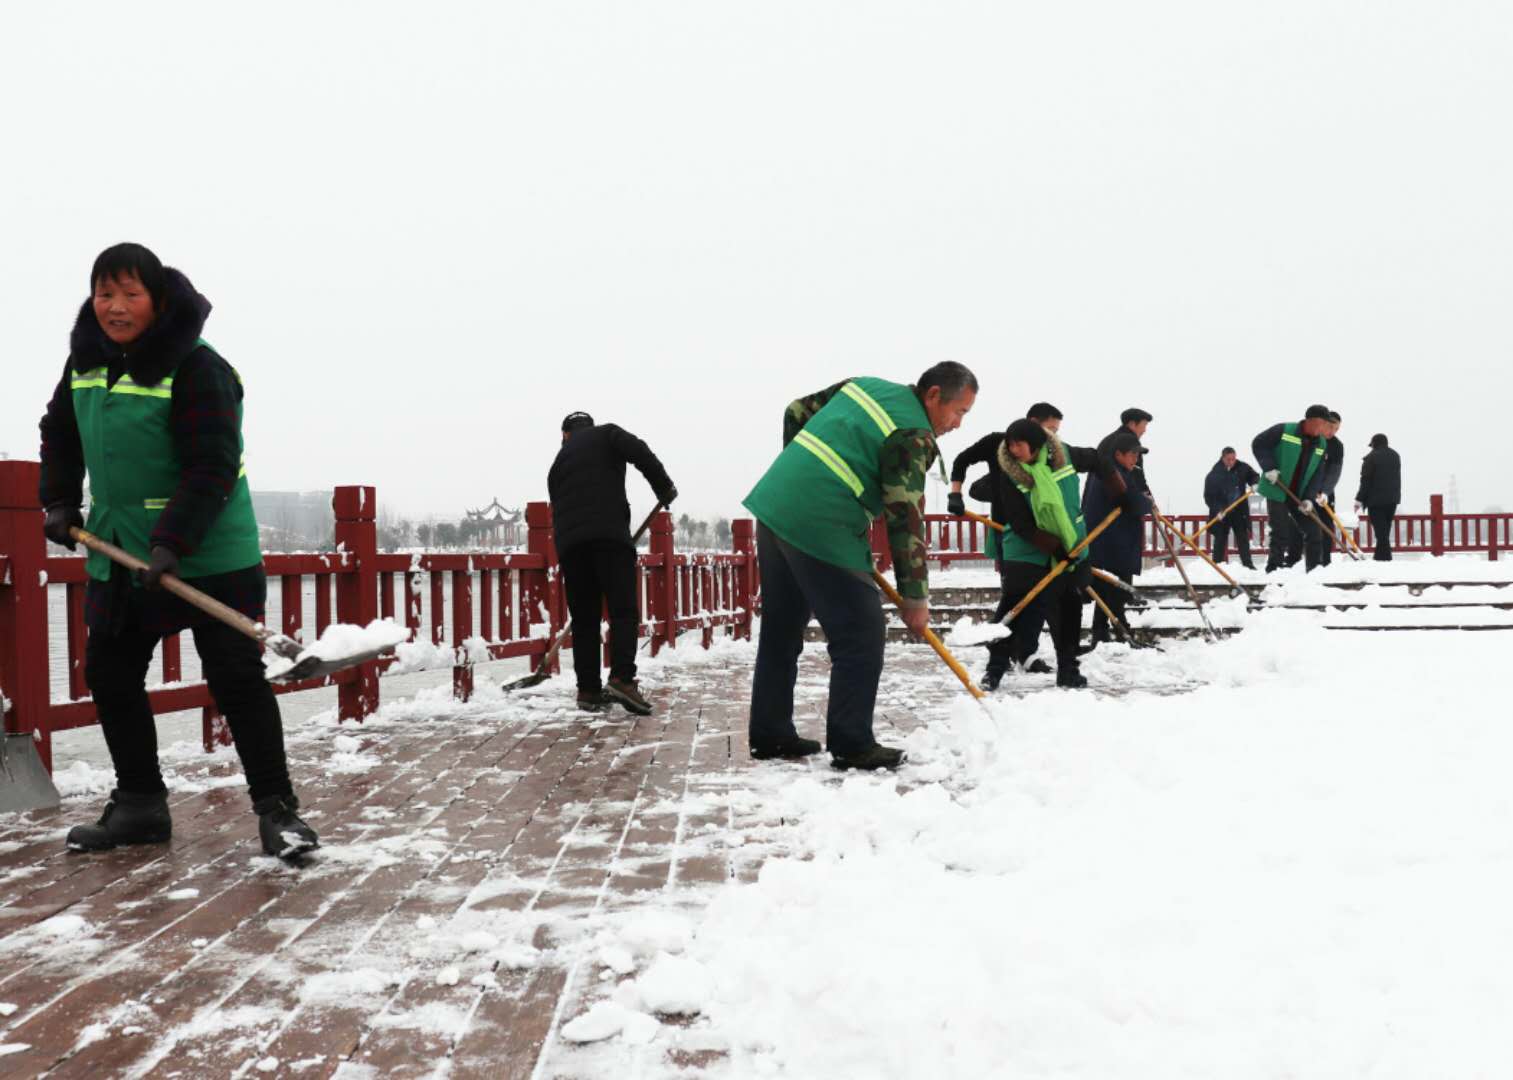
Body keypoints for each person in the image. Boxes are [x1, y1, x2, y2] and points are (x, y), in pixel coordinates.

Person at [38, 243, 317, 858]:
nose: (115, 307)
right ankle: (139, 804)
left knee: (235, 679)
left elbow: (212, 464)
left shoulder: (196, 366)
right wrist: (58, 498)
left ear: (157, 300)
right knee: (110, 672)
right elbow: (59, 430)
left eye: (129, 294)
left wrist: (172, 541)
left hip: (209, 552)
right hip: (121, 550)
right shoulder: (85, 362)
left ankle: (278, 812)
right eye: (104, 293)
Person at [743, 362, 977, 769]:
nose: (958, 424)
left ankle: (770, 732)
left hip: (777, 504)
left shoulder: (867, 386)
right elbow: (905, 517)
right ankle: (852, 744)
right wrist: (915, 598)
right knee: (862, 630)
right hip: (822, 520)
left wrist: (803, 475)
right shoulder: (912, 435)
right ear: (934, 395)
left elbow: (796, 410)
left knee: (782, 628)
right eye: (959, 412)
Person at [547, 412, 677, 715]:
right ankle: (622, 678)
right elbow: (640, 451)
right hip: (609, 536)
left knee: (584, 619)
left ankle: (588, 690)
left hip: (571, 546)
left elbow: (557, 506)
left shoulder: (558, 463)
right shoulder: (607, 434)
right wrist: (664, 487)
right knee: (622, 610)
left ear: (565, 435)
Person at [977, 419, 1101, 689]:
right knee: (1014, 610)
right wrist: (1057, 549)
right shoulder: (1008, 473)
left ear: (1035, 445)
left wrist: (1122, 490)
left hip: (1070, 545)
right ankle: (994, 670)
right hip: (1026, 550)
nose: (1013, 450)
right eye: (1010, 445)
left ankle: (1068, 670)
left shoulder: (1064, 457)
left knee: (1069, 610)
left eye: (1018, 444)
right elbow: (1021, 522)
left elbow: (1099, 460)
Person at [946, 403, 1063, 675]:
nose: (1052, 436)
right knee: (1015, 595)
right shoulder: (997, 443)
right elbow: (961, 460)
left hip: (1042, 534)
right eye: (1049, 429)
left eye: (1055, 431)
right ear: (1032, 423)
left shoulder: (1050, 454)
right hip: (1009, 532)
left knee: (1040, 597)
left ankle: (1026, 653)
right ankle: (999, 656)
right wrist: (955, 493)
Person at [1083, 432, 1151, 649]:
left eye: (1137, 455)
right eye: (1132, 455)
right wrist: (1146, 502)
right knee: (1114, 590)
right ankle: (1121, 632)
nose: (1135, 459)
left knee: (1109, 590)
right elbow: (1132, 502)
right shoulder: (1111, 474)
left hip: (1113, 542)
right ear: (1118, 454)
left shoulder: (1120, 472)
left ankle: (1102, 632)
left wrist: (1142, 500)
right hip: (1109, 543)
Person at [1252, 405, 1332, 572]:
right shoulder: (1284, 430)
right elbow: (1258, 443)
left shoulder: (1322, 443)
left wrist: (1309, 498)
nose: (1325, 428)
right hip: (1278, 487)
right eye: (1323, 423)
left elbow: (1318, 473)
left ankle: (1314, 571)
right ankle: (1274, 570)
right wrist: (1269, 467)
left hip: (1300, 493)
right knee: (1280, 531)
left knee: (1314, 529)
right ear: (1311, 421)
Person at [1202, 447, 1259, 568]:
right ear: (1223, 458)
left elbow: (1254, 476)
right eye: (1228, 459)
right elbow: (1209, 496)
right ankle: (1217, 566)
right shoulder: (1214, 474)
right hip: (1222, 512)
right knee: (1220, 539)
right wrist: (1218, 510)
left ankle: (1248, 565)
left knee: (1242, 538)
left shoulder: (1242, 468)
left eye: (1233, 459)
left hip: (1239, 510)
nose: (1231, 462)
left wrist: (1255, 483)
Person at [1356, 433, 1402, 561]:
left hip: (1375, 501)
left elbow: (1365, 481)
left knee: (1381, 533)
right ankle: (1379, 558)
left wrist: (1359, 499)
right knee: (1384, 531)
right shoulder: (1395, 456)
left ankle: (1385, 559)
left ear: (1374, 444)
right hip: (1392, 499)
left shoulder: (1371, 458)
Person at [1098, 408, 1152, 493]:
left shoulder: (1107, 441)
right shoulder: (1130, 443)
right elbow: (1138, 478)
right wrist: (1148, 497)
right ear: (1132, 424)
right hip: (1118, 496)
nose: (1144, 430)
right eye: (1144, 425)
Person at [1316, 411, 1345, 565]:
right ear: (1323, 424)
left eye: (1336, 429)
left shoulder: (1337, 446)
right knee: (1302, 526)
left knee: (1326, 525)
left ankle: (1325, 561)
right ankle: (1300, 562)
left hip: (1325, 494)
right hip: (1305, 492)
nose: (1333, 432)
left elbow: (1335, 471)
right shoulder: (1311, 439)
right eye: (1331, 427)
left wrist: (1325, 491)